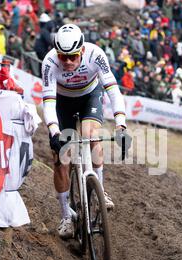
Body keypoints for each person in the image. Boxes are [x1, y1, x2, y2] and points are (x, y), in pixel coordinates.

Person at [41, 24, 131, 239]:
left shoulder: (95, 54)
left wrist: (121, 124)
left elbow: (113, 91)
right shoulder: (49, 62)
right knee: (61, 159)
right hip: (62, 102)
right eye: (63, 57)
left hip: (89, 96)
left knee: (91, 135)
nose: (68, 62)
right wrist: (54, 132)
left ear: (81, 50)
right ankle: (65, 216)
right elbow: (48, 102)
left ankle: (100, 189)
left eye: (72, 56)